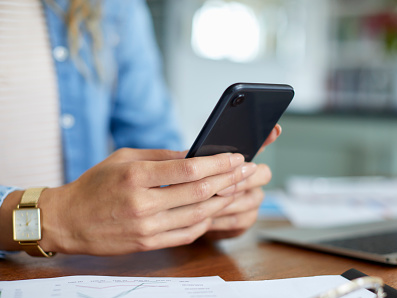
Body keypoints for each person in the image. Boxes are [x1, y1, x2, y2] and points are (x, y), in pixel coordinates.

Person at [0, 0, 280, 256]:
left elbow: (154, 142)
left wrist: (200, 205)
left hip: (82, 268)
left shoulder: (115, 8)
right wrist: (56, 216)